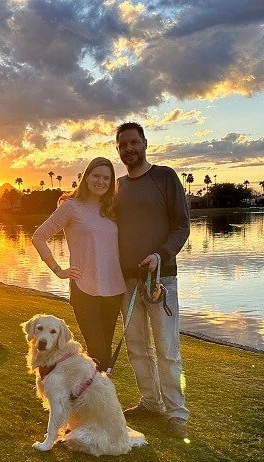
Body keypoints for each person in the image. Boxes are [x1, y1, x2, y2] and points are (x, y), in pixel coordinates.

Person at [114, 122, 191, 438]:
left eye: (134, 142)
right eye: (123, 145)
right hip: (127, 282)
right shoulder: (117, 186)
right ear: (118, 149)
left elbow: (181, 227)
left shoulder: (165, 177)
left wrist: (161, 255)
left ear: (144, 143)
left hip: (161, 280)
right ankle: (150, 402)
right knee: (136, 348)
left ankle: (176, 413)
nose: (129, 149)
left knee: (167, 349)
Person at [31, 157, 126, 372]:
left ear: (111, 183)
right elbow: (39, 236)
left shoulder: (111, 209)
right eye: (96, 176)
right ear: (86, 177)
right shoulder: (71, 207)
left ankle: (94, 398)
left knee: (104, 353)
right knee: (98, 352)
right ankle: (89, 396)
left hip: (113, 290)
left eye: (106, 178)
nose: (101, 181)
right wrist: (58, 270)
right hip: (84, 290)